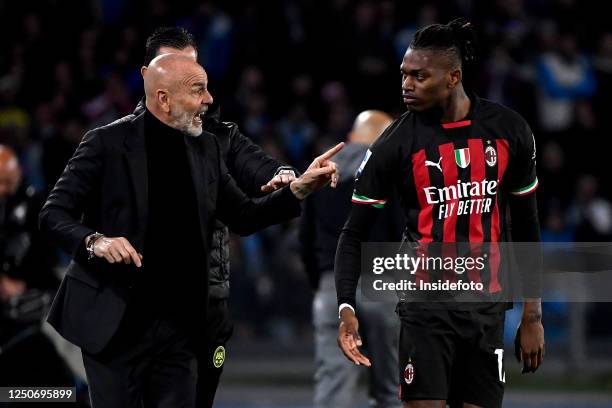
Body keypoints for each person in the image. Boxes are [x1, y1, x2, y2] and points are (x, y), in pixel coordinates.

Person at [40, 53, 342, 408]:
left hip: (181, 328)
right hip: (116, 324)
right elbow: (53, 214)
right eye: (198, 90)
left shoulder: (206, 147)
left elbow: (243, 216)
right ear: (164, 99)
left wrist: (298, 189)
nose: (209, 100)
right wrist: (95, 241)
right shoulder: (105, 143)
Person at [334, 19, 545, 408]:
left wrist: (532, 313)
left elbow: (527, 224)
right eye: (404, 74)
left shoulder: (510, 130)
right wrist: (346, 305)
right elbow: (353, 233)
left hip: (487, 309)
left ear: (453, 77)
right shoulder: (393, 144)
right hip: (424, 307)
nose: (406, 84)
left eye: (419, 75)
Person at [137, 27, 299, 406]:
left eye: (193, 68)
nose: (189, 80)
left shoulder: (218, 137)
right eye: (173, 67)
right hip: (146, 304)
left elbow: (260, 167)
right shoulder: (121, 141)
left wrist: (287, 178)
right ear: (149, 76)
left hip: (208, 302)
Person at [300, 110, 403, 408]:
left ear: (352, 136)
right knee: (391, 387)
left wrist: (318, 282)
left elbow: (305, 239)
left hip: (331, 286)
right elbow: (403, 233)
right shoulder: (391, 171)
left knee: (335, 383)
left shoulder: (323, 170)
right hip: (382, 284)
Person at [0, 145, 78, 394]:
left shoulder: (33, 203)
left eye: (9, 182)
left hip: (40, 291)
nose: (5, 189)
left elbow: (47, 257)